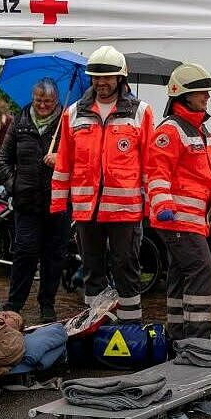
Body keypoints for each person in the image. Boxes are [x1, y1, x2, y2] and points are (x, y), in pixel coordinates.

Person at [50, 45, 153, 321]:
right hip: (87, 209)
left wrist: (152, 204)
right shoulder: (72, 113)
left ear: (120, 78)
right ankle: (94, 325)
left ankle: (131, 326)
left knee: (126, 267)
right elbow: (64, 164)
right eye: (96, 76)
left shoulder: (141, 112)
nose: (101, 82)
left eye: (107, 77)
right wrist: (58, 202)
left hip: (126, 210)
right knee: (92, 269)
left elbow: (150, 165)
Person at [146, 63, 211, 340]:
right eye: (202, 91)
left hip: (190, 221)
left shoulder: (203, 133)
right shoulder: (171, 130)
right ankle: (198, 337)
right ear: (184, 94)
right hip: (177, 219)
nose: (207, 96)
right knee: (201, 269)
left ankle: (178, 337)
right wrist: (163, 205)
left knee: (180, 274)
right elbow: (157, 173)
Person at [0, 79, 69, 322]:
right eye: (39, 99)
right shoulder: (20, 121)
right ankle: (14, 305)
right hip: (26, 202)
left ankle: (47, 304)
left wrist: (60, 159)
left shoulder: (67, 122)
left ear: (57, 100)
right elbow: (3, 159)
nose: (42, 105)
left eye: (48, 101)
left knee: (54, 256)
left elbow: (80, 159)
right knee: (24, 254)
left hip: (58, 202)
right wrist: (13, 185)